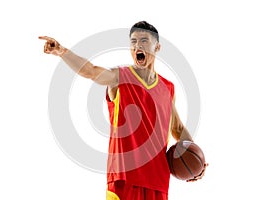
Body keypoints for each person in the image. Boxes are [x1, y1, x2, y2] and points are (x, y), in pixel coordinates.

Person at [39, 21, 207, 200]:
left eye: (144, 41)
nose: (137, 46)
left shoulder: (168, 87)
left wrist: (198, 163)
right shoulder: (119, 78)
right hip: (124, 179)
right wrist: (61, 51)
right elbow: (90, 71)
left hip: (158, 181)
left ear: (157, 47)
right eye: (133, 42)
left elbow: (178, 129)